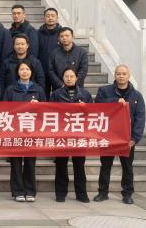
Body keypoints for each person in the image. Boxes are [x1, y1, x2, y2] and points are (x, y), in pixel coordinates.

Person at [94, 64, 146, 205]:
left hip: (127, 138)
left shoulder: (137, 96)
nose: (121, 76)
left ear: (129, 76)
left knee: (127, 167)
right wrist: (114, 101)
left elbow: (140, 118)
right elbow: (97, 105)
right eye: (118, 73)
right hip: (109, 136)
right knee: (105, 165)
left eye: (124, 74)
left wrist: (134, 138)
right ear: (115, 75)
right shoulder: (104, 91)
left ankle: (127, 194)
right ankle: (102, 192)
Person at [50, 66, 93, 203]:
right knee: (61, 164)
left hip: (79, 134)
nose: (69, 79)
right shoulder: (55, 94)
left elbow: (93, 114)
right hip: (61, 134)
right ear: (62, 78)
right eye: (66, 76)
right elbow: (50, 113)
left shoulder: (85, 94)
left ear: (76, 78)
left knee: (79, 165)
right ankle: (60, 193)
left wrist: (85, 108)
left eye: (71, 76)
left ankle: (81, 194)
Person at [3, 60, 43, 203]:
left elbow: (45, 112)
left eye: (27, 69)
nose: (24, 72)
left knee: (30, 162)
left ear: (31, 72)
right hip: (15, 131)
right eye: (22, 69)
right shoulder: (10, 89)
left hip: (32, 132)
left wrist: (39, 106)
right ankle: (18, 191)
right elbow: (5, 110)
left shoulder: (38, 90)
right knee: (16, 162)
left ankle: (30, 191)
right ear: (17, 72)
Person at [2, 34, 47, 98]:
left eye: (22, 44)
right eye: (17, 44)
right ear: (13, 46)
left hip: (31, 97)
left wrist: (38, 96)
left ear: (27, 45)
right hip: (12, 97)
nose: (20, 46)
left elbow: (41, 81)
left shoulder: (35, 62)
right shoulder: (7, 63)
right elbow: (2, 81)